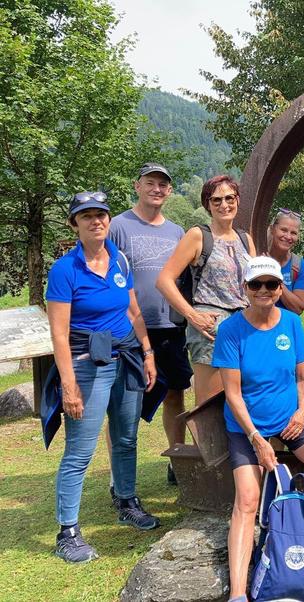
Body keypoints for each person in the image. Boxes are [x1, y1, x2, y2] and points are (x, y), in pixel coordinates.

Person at [212, 256, 304, 602]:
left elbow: (303, 377)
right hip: (247, 425)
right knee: (247, 500)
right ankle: (238, 593)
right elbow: (233, 394)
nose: (264, 290)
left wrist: (302, 411)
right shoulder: (230, 330)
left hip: (289, 417)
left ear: (280, 288)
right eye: (256, 284)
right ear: (246, 288)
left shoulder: (292, 323)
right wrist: (256, 438)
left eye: (271, 284)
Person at [45, 192, 159, 563]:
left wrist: (147, 353)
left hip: (126, 359)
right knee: (80, 451)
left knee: (126, 438)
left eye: (101, 215)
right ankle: (67, 533)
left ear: (109, 220)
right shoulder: (65, 270)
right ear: (74, 224)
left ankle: (126, 501)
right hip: (86, 365)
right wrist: (69, 386)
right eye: (87, 216)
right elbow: (59, 334)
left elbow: (133, 311)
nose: (96, 221)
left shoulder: (119, 259)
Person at [109, 163, 193, 485]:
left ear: (169, 191)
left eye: (162, 185)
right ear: (137, 186)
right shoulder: (118, 226)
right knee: (124, 402)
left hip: (170, 326)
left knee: (175, 394)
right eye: (150, 183)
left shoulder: (177, 232)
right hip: (129, 329)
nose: (156, 189)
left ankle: (177, 462)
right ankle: (118, 476)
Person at [156, 175, 256, 405]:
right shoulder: (198, 236)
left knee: (245, 399)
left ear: (238, 200)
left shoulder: (245, 239)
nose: (224, 205)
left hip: (244, 325)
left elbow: (254, 283)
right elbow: (164, 280)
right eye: (216, 200)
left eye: (229, 198)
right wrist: (192, 315)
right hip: (211, 327)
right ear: (207, 205)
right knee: (210, 404)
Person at [266, 207, 304, 314]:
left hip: (285, 323)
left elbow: (298, 308)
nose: (288, 236)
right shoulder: (256, 257)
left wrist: (274, 275)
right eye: (284, 230)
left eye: (293, 233)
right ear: (272, 229)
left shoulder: (299, 266)